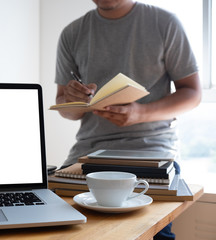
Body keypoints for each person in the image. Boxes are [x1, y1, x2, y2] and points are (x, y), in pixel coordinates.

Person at [54, 0, 202, 239]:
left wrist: (141, 114)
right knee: (59, 227)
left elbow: (192, 94)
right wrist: (73, 100)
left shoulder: (165, 23)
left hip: (152, 155)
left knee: (151, 233)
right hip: (87, 155)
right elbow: (65, 109)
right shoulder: (72, 33)